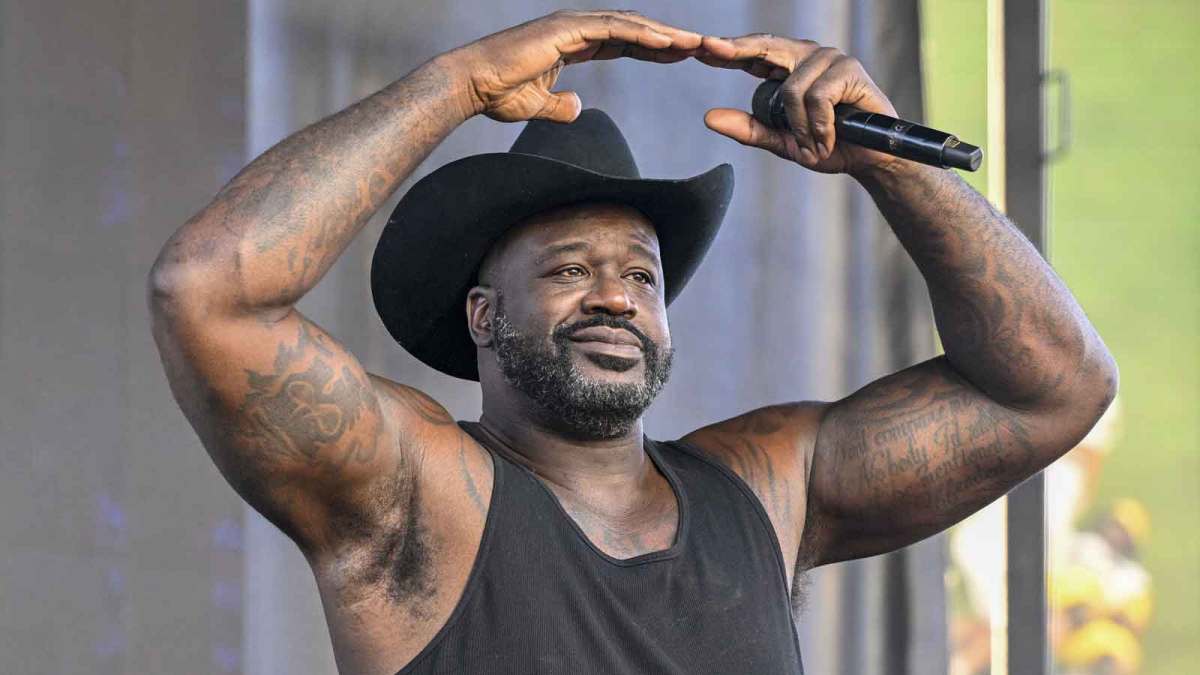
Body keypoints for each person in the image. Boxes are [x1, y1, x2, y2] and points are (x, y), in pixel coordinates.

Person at [147, 10, 1117, 675]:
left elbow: (1053, 389)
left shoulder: (771, 486)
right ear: (484, 315)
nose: (614, 296)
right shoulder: (417, 485)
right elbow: (210, 295)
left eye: (641, 276)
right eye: (569, 271)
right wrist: (456, 85)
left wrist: (888, 162)